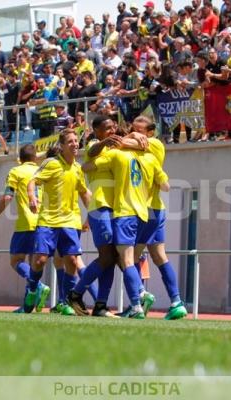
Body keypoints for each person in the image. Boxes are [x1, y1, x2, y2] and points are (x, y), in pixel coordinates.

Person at [82, 126, 170, 319]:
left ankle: (138, 301)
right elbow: (166, 186)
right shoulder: (151, 157)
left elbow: (86, 166)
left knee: (124, 259)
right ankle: (165, 298)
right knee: (139, 257)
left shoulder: (116, 155)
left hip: (123, 212)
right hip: (146, 214)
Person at [67, 115, 149, 318]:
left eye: (113, 128)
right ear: (96, 131)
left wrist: (133, 135)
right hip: (100, 206)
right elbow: (91, 152)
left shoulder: (117, 149)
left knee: (111, 258)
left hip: (117, 208)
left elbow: (139, 147)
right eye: (106, 129)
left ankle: (101, 304)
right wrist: (105, 141)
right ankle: (76, 293)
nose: (111, 131)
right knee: (106, 256)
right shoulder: (96, 145)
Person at [26, 129, 91, 316]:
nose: (74, 144)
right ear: (61, 146)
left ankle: (64, 301)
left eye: (76, 141)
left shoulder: (78, 168)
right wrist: (32, 197)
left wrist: (92, 215)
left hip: (71, 221)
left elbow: (84, 193)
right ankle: (32, 288)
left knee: (71, 260)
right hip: (48, 219)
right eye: (70, 141)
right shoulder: (52, 164)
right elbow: (33, 181)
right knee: (40, 261)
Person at [132, 116, 187, 320]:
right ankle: (176, 302)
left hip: (146, 209)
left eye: (140, 130)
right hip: (155, 207)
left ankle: (138, 297)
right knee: (158, 256)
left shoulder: (153, 144)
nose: (136, 134)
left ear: (151, 132)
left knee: (129, 256)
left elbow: (127, 143)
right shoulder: (142, 146)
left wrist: (129, 136)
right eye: (133, 129)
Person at [0, 144, 51, 313]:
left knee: (16, 261)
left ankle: (38, 285)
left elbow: (8, 197)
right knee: (34, 264)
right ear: (35, 158)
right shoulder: (42, 171)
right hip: (45, 223)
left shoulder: (16, 172)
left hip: (26, 223)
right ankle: (27, 306)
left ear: (20, 159)